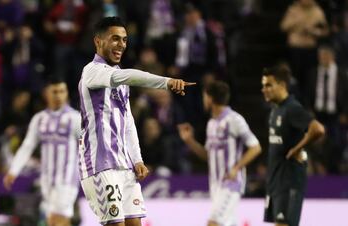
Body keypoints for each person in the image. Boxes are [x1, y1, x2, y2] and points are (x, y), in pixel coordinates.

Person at [78, 17, 195, 226]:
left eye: (124, 39)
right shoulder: (92, 71)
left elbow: (128, 122)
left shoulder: (121, 80)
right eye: (115, 39)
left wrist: (137, 159)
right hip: (100, 165)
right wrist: (166, 82)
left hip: (124, 166)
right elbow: (130, 75)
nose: (121, 44)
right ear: (98, 41)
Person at [177, 81, 261, 226]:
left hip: (230, 184)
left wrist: (236, 168)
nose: (203, 100)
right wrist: (190, 141)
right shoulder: (212, 124)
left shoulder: (234, 120)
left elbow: (256, 147)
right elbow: (209, 156)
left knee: (213, 222)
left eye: (204, 96)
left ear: (209, 98)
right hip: (215, 185)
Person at [3, 78, 81, 226]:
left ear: (67, 94)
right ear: (47, 93)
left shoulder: (75, 118)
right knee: (52, 221)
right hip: (46, 179)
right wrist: (13, 170)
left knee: (60, 220)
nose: (58, 95)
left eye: (62, 91)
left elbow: (89, 146)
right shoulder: (39, 119)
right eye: (54, 91)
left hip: (67, 179)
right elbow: (27, 146)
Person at [261, 66, 325, 226]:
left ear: (282, 85)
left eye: (269, 85)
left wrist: (297, 149)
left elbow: (317, 129)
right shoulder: (275, 110)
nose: (264, 89)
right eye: (263, 85)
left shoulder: (292, 108)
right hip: (275, 180)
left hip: (289, 179)